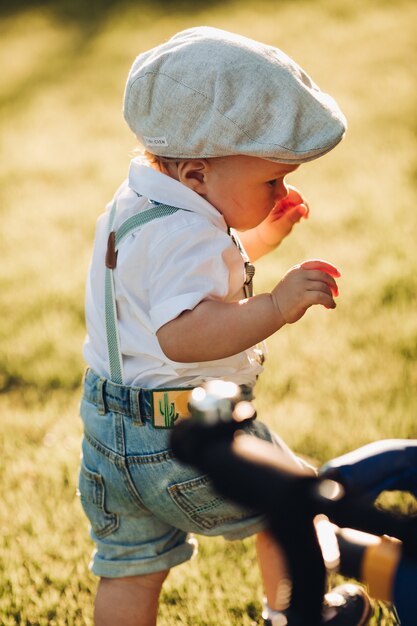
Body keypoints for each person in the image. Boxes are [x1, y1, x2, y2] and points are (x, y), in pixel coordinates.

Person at [78, 27, 372, 626]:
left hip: (109, 437)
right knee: (291, 501)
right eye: (272, 182)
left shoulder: (139, 207)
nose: (282, 190)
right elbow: (183, 334)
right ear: (194, 175)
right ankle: (298, 610)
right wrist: (276, 306)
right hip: (180, 439)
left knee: (131, 565)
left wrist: (263, 236)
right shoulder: (184, 233)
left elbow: (194, 279)